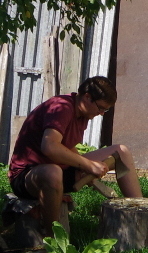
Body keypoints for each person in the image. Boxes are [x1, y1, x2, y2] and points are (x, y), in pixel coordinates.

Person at [7, 76, 140, 235]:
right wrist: (88, 165)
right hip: (27, 177)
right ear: (87, 97)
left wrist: (84, 169)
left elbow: (67, 146)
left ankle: (141, 212)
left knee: (121, 152)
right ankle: (53, 237)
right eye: (101, 108)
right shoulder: (61, 108)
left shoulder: (83, 114)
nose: (102, 113)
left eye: (105, 110)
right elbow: (49, 146)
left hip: (59, 170)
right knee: (53, 172)